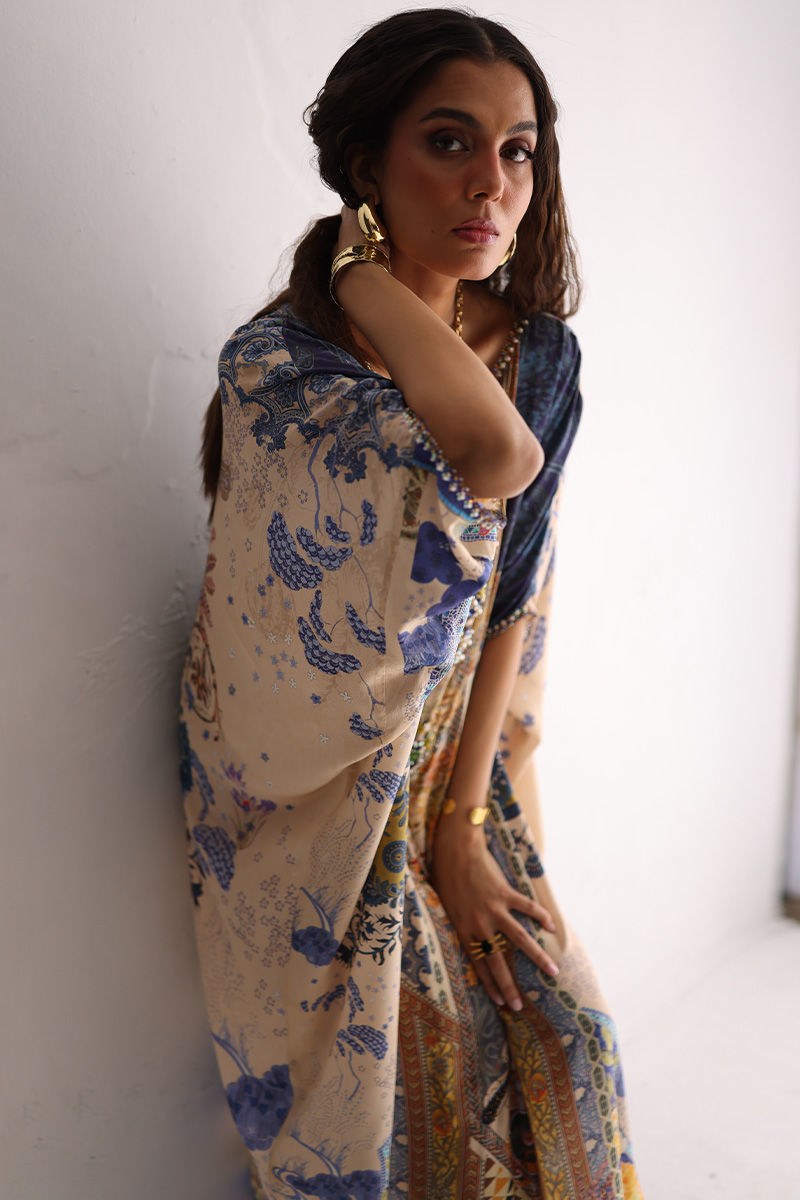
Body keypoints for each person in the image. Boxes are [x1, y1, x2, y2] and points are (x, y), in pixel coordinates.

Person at [179, 9, 644, 1198]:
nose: (490, 183)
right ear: (365, 166)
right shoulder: (283, 369)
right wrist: (361, 278)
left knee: (568, 1042)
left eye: (517, 150)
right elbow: (490, 459)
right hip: (316, 795)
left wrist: (462, 825)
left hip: (452, 769)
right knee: (406, 1097)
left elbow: (509, 596)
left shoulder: (539, 356)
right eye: (447, 142)